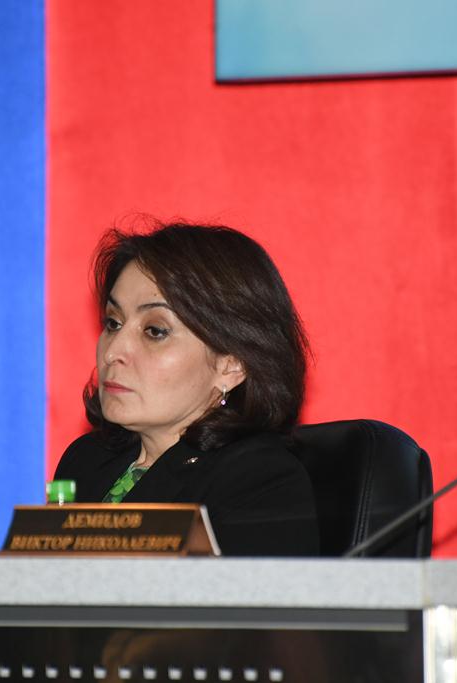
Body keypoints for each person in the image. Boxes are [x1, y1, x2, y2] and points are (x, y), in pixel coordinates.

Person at [53, 221, 319, 556]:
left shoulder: (259, 482)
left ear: (231, 365)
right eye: (113, 323)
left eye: (154, 331)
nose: (112, 352)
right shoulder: (87, 460)